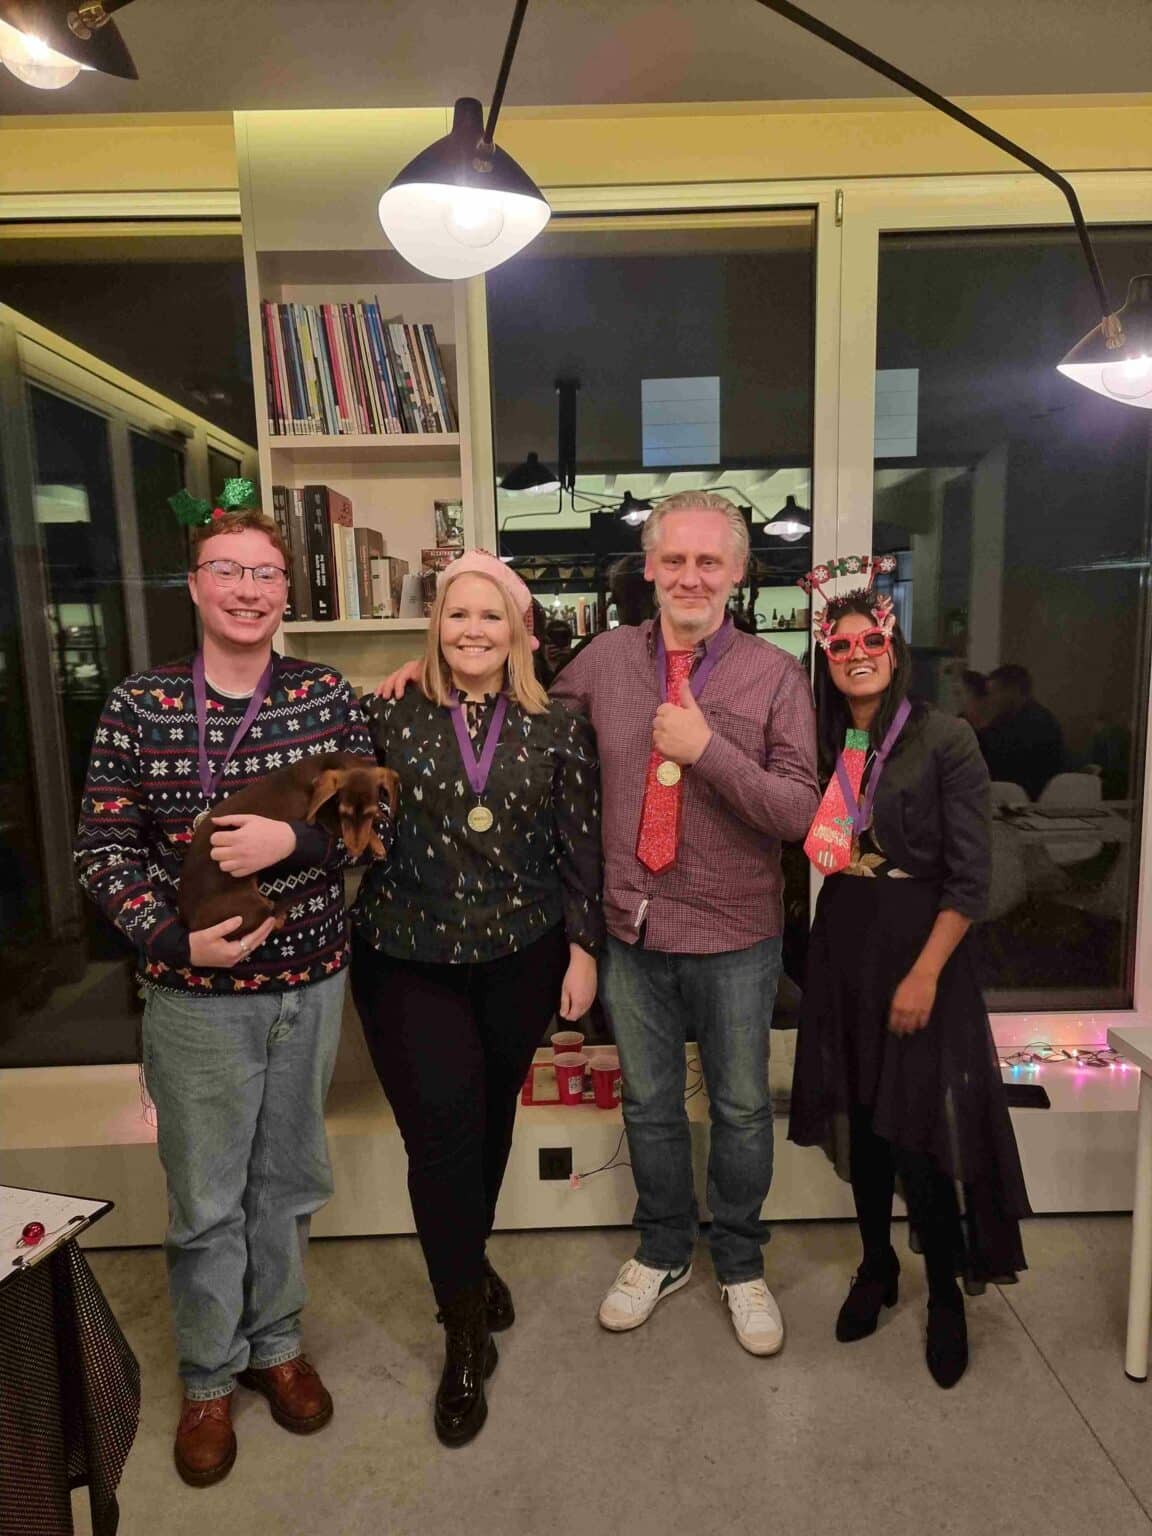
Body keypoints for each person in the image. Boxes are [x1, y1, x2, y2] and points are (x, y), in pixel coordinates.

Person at [375, 491, 819, 1355]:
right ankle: (663, 1249)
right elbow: (514, 704)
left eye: (710, 561)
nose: (690, 576)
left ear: (737, 572)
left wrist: (708, 752)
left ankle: (739, 1261)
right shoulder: (605, 660)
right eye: (674, 559)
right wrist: (422, 674)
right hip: (631, 928)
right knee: (648, 1107)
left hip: (735, 932)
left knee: (739, 1108)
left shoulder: (776, 676)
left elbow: (800, 814)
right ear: (648, 568)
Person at [74, 485, 389, 1486]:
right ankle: (210, 1377)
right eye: (229, 572)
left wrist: (295, 840)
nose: (248, 590)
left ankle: (276, 1346)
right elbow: (102, 852)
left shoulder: (324, 695)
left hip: (311, 982)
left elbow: (374, 822)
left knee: (288, 1183)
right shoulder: (140, 705)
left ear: (285, 590)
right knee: (207, 1198)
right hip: (195, 998)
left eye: (266, 574)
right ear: (195, 585)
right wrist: (174, 939)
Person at [350, 550, 602, 1447]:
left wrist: (584, 949)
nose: (472, 630)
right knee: (441, 1139)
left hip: (519, 956)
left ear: (518, 630)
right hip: (405, 956)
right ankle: (462, 1329)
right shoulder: (386, 712)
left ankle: (467, 1262)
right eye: (457, 614)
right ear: (436, 625)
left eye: (490, 616)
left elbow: (580, 846)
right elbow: (344, 810)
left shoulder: (559, 726)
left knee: (490, 1125)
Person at [787, 560, 1030, 1389]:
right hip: (844, 941)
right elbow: (825, 845)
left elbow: (971, 881)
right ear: (826, 657)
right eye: (841, 645)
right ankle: (877, 1265)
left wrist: (925, 974)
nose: (856, 655)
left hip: (922, 948)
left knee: (919, 1129)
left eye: (871, 642)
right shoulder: (830, 738)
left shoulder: (945, 737)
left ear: (895, 650)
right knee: (862, 1116)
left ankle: (946, 1297)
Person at [979, 663, 1063, 799]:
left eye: (994, 693)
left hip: (1028, 800)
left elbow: (1002, 766)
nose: (990, 700)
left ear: (1013, 691)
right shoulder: (1009, 719)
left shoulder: (1037, 724)